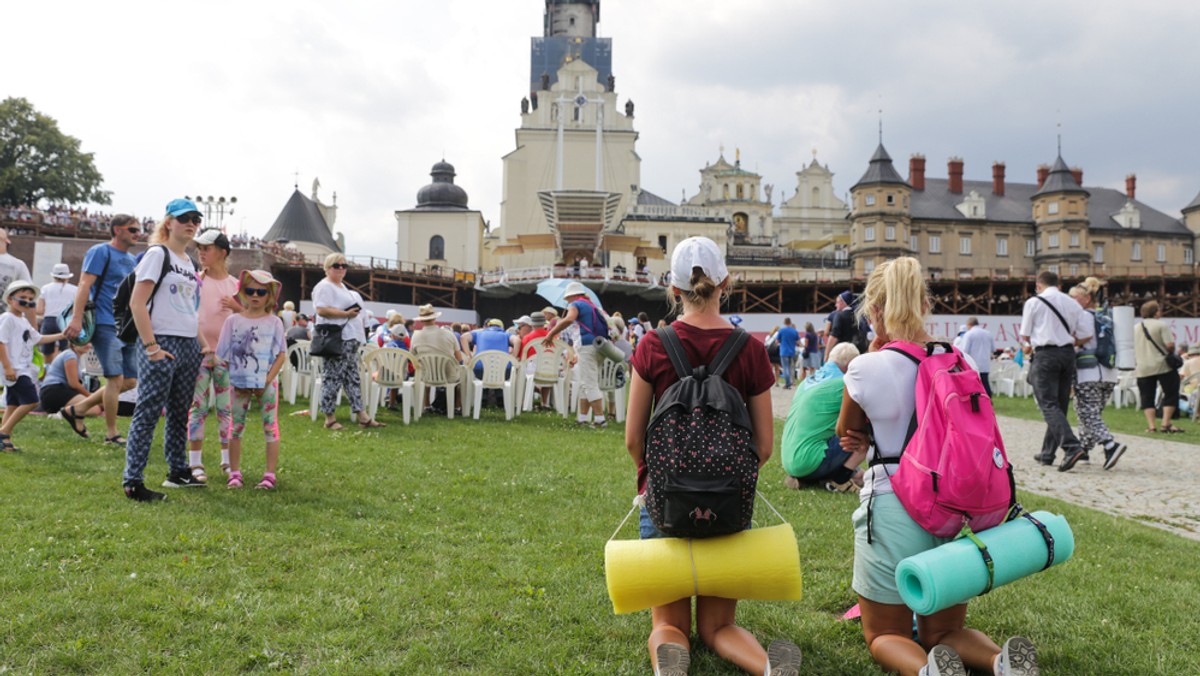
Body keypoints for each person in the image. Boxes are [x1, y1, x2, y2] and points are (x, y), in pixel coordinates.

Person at [836, 257, 1038, 676]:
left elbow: (847, 432)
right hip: (953, 507)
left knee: (885, 635)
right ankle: (1002, 662)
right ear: (925, 304)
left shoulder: (865, 367)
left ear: (874, 311)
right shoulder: (956, 356)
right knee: (943, 631)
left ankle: (930, 672)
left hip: (894, 502)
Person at [625, 236, 800, 676]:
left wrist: (657, 479)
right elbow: (763, 446)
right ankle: (765, 665)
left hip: (664, 505)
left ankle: (671, 661)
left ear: (673, 288)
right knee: (719, 625)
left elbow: (633, 439)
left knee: (669, 623)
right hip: (727, 506)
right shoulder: (751, 349)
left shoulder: (652, 344)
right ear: (727, 281)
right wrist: (725, 480)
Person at [122, 199, 207, 501]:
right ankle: (133, 480)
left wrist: (202, 344)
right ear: (169, 222)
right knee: (147, 412)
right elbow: (136, 302)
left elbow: (190, 308)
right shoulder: (158, 254)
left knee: (179, 412)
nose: (191, 223)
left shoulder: (190, 263)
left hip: (187, 344)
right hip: (161, 341)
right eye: (184, 218)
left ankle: (178, 470)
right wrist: (151, 346)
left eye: (196, 218)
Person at [64, 214, 141, 445]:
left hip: (125, 325)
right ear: (117, 230)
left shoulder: (132, 260)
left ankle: (77, 409)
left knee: (130, 381)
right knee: (115, 378)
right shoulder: (100, 252)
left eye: (138, 230)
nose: (138, 233)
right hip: (105, 322)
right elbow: (84, 284)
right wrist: (77, 319)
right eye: (133, 229)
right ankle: (112, 434)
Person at [218, 270, 287, 490]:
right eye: (250, 291)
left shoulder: (274, 322)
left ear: (269, 296)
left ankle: (269, 474)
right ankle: (235, 472)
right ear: (243, 293)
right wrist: (237, 376)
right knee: (235, 427)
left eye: (261, 292)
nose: (255, 296)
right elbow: (223, 353)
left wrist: (267, 379)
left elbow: (281, 354)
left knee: (270, 427)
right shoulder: (232, 321)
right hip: (239, 384)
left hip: (267, 384)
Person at [1020, 270, 1092, 471]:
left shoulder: (1034, 302)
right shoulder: (1071, 303)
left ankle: (1072, 447)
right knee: (1059, 404)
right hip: (1068, 353)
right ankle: (1047, 453)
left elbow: (1025, 334)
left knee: (1048, 404)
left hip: (1045, 354)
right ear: (1058, 285)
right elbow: (1086, 334)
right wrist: (1066, 340)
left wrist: (1028, 344)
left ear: (1038, 285)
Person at [186, 228, 240, 482]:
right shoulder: (195, 280)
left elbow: (253, 318)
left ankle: (227, 459)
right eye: (200, 249)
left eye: (206, 248)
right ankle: (195, 463)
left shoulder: (237, 286)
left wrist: (237, 307)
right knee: (197, 408)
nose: (201, 253)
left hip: (227, 358)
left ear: (222, 252)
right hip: (199, 355)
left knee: (225, 409)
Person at [313, 253, 383, 431]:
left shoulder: (341, 286)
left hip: (349, 338)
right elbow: (321, 310)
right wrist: (345, 314)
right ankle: (329, 418)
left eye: (344, 266)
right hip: (338, 338)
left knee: (352, 378)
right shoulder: (325, 286)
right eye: (337, 265)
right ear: (328, 267)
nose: (341, 269)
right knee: (332, 377)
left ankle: (362, 416)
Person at [782, 342, 865, 493]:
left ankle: (847, 473)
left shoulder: (807, 381)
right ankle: (840, 480)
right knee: (862, 435)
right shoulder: (844, 383)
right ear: (852, 365)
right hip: (808, 461)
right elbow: (865, 417)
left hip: (789, 461)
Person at [0, 281, 67, 452]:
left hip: (21, 368)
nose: (27, 302)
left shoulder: (22, 321)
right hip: (14, 369)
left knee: (12, 404)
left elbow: (38, 338)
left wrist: (62, 335)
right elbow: (1, 343)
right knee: (32, 401)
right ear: (9, 298)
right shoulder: (7, 319)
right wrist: (7, 367)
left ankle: (5, 441)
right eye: (22, 298)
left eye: (31, 299)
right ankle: (3, 432)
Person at [1069, 285, 1126, 469]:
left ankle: (1110, 445)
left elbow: (1080, 339)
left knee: (1086, 412)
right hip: (1109, 372)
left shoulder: (1083, 316)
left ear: (1086, 299)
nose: (1071, 302)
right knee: (1092, 414)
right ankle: (1084, 449)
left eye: (1074, 298)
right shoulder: (1106, 316)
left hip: (1088, 371)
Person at [543, 282, 608, 428]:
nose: (567, 301)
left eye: (567, 298)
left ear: (571, 295)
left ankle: (600, 420)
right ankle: (582, 418)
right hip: (599, 346)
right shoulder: (592, 305)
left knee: (590, 383)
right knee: (585, 382)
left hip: (587, 346)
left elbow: (570, 319)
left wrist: (551, 334)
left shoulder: (576, 304)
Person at [1133, 299, 1183, 434]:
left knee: (1147, 396)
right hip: (1162, 365)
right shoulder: (1161, 325)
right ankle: (1165, 423)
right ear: (1155, 312)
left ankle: (1151, 426)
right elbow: (1170, 345)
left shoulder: (1136, 327)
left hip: (1143, 366)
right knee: (1171, 393)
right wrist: (1170, 352)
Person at [410, 304, 464, 412]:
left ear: (421, 320)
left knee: (424, 369)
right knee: (461, 375)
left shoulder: (415, 336)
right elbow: (459, 358)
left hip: (427, 376)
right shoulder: (449, 334)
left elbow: (413, 358)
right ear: (435, 318)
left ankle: (426, 405)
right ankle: (458, 406)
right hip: (449, 376)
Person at [41, 342, 97, 424]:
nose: (89, 345)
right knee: (94, 408)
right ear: (74, 344)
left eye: (89, 342)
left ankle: (62, 412)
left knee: (98, 402)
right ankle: (65, 413)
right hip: (53, 391)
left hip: (54, 392)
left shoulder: (74, 356)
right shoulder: (70, 355)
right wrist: (90, 397)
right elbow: (73, 384)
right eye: (84, 343)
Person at [37, 263, 77, 364]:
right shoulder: (74, 290)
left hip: (49, 320)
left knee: (47, 351)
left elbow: (40, 310)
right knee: (67, 351)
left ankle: (48, 373)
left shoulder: (45, 288)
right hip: (66, 321)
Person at [0, 228, 33, 326]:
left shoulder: (18, 264)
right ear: (7, 241)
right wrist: (33, 327)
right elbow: (29, 296)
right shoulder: (18, 264)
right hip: (5, 322)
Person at [959, 317, 996, 397]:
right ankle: (988, 401)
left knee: (972, 385)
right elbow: (993, 349)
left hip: (973, 364)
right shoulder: (988, 333)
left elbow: (964, 350)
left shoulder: (969, 334)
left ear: (969, 325)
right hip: (985, 363)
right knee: (985, 383)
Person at [825, 291, 859, 361]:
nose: (835, 305)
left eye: (837, 302)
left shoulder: (839, 315)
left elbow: (833, 336)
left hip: (842, 353)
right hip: (856, 352)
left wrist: (826, 354)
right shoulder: (857, 315)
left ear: (843, 302)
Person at [776, 318, 800, 389]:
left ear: (784, 322)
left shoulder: (781, 330)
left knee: (785, 367)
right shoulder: (794, 331)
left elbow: (777, 341)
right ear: (790, 322)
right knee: (790, 368)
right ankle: (791, 381)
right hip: (792, 351)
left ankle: (787, 383)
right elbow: (798, 342)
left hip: (783, 351)